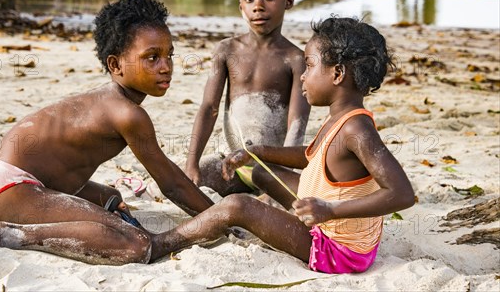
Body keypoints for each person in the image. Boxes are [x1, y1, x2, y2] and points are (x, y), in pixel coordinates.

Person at [0, 0, 214, 265]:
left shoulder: (113, 99)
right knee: (135, 245)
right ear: (115, 65)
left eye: (169, 55)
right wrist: (218, 217)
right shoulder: (128, 114)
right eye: (152, 58)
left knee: (111, 197)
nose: (166, 67)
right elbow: (170, 182)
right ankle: (5, 234)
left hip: (12, 180)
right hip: (8, 190)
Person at [153, 17, 415, 274]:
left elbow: (401, 193)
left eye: (310, 66)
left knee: (238, 205)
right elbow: (310, 156)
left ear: (337, 74)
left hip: (337, 251)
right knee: (260, 172)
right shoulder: (340, 116)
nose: (302, 76)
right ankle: (215, 220)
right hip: (324, 218)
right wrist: (257, 153)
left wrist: (330, 210)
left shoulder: (356, 128)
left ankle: (159, 244)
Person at [184, 0, 311, 196]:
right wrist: (192, 162)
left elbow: (297, 124)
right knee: (190, 181)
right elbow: (209, 108)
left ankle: (261, 203)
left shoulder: (296, 59)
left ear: (288, 1)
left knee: (297, 196)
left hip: (273, 168)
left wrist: (281, 175)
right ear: (240, 6)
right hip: (230, 165)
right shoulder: (226, 50)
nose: (258, 6)